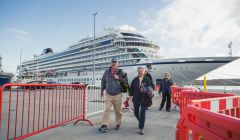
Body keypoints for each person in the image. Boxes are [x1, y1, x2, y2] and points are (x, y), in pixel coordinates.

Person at [98, 57, 128, 133]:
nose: (114, 63)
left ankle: (118, 123)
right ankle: (104, 125)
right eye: (113, 62)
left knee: (118, 111)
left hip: (118, 95)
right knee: (107, 110)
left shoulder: (121, 72)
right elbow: (103, 82)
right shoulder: (106, 72)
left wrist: (119, 78)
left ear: (118, 64)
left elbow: (126, 81)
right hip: (108, 94)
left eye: (115, 62)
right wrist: (102, 91)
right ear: (111, 63)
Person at [129, 67, 153, 135]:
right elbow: (131, 89)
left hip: (144, 98)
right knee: (136, 113)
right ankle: (141, 122)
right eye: (139, 71)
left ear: (144, 72)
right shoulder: (135, 79)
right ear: (137, 72)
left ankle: (141, 128)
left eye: (141, 71)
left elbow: (151, 87)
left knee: (143, 114)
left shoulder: (147, 79)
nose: (140, 72)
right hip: (136, 98)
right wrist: (129, 96)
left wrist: (145, 89)